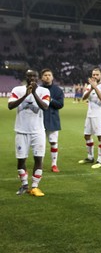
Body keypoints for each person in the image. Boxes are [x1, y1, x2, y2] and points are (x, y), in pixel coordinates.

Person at [8, 69, 51, 197]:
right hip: (21, 130)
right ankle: (24, 185)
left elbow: (45, 106)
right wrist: (26, 95)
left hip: (38, 131)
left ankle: (35, 186)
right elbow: (10, 106)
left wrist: (34, 93)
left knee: (38, 158)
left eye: (34, 76)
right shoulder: (17, 90)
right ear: (26, 77)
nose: (32, 78)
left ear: (38, 78)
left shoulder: (44, 91)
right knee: (21, 160)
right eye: (29, 76)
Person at [78, 67, 101, 169]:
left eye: (97, 74)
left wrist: (95, 87)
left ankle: (99, 161)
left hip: (100, 115)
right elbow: (83, 98)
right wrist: (91, 88)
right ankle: (90, 157)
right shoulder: (89, 86)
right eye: (93, 75)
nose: (95, 76)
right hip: (90, 114)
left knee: (100, 136)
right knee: (87, 135)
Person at [40, 68, 64, 173]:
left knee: (53, 142)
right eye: (45, 75)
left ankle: (54, 164)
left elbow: (60, 105)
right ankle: (39, 164)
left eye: (49, 75)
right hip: (39, 120)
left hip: (53, 120)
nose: (47, 77)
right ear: (41, 77)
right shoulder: (38, 89)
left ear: (52, 77)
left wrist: (49, 99)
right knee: (40, 144)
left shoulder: (58, 90)